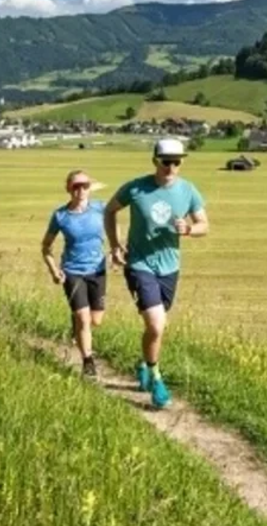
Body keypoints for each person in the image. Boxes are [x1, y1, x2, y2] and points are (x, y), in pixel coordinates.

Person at [103, 137, 208, 409]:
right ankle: (156, 377)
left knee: (157, 327)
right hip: (139, 264)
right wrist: (115, 245)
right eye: (166, 162)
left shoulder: (188, 191)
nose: (171, 167)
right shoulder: (136, 188)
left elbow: (204, 224)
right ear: (154, 161)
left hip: (170, 267)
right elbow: (109, 210)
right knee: (156, 324)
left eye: (176, 162)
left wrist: (189, 230)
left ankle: (143, 362)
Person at [41, 169, 108, 379]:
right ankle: (88, 362)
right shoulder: (61, 216)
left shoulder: (100, 208)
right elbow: (46, 247)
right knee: (83, 317)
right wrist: (54, 270)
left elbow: (115, 226)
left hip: (98, 270)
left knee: (95, 320)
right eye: (76, 186)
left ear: (90, 188)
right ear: (69, 189)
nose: (80, 190)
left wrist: (117, 249)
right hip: (72, 271)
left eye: (85, 186)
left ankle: (76, 326)